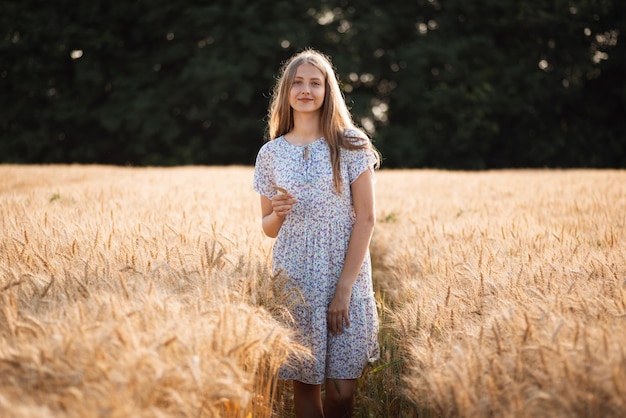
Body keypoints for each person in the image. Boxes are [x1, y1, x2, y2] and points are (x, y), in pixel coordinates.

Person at [253, 48, 381, 418]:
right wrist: (277, 213)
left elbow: (367, 218)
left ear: (328, 91)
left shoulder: (351, 143)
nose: (306, 89)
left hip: (346, 275)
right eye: (298, 82)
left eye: (315, 82)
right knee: (305, 387)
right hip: (295, 277)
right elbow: (267, 229)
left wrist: (343, 290)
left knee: (342, 391)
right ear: (286, 92)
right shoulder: (271, 154)